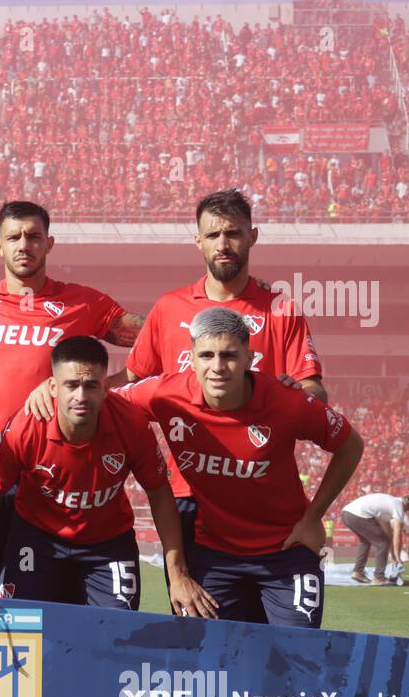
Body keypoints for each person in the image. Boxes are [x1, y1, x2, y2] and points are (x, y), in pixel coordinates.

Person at [34, 189, 326, 606]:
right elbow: (131, 381)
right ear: (198, 241)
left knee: (275, 638)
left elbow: (314, 389)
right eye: (213, 235)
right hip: (191, 496)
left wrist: (300, 394)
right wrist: (65, 386)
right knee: (200, 628)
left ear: (253, 236)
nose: (223, 244)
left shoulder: (282, 310)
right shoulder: (170, 309)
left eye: (233, 233)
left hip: (262, 499)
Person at [0, 200, 145, 594]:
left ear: (49, 244)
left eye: (34, 236)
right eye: (14, 237)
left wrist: (111, 385)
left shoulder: (84, 303)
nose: (25, 245)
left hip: (55, 474)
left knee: (58, 601)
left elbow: (156, 336)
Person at [120, 307, 364, 628]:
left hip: (286, 552)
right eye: (206, 355)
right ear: (191, 359)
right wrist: (48, 389)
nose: (217, 367)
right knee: (212, 664)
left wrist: (312, 516)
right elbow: (100, 403)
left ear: (250, 359)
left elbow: (351, 445)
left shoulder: (287, 402)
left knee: (296, 659)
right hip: (214, 555)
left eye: (229, 355)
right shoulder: (165, 394)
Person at [0, 336, 217, 617]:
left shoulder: (131, 424)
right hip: (38, 540)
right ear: (52, 387)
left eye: (91, 386)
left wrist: (178, 574)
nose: (81, 397)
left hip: (108, 543)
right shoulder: (24, 427)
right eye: (71, 385)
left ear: (106, 388)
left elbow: (159, 493)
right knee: (27, 630)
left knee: (118, 633)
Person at [340, 492, 409, 584]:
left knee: (366, 541)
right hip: (358, 515)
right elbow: (397, 533)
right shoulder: (399, 506)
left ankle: (358, 572)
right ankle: (379, 577)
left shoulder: (389, 503)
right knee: (382, 543)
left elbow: (389, 535)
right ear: (408, 508)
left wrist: (392, 555)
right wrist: (397, 557)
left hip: (346, 513)